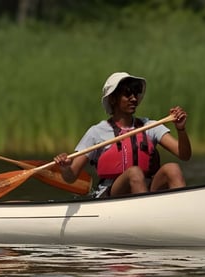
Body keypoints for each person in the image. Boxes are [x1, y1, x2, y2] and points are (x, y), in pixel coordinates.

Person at [54, 72, 192, 197]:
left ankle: (183, 213)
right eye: (127, 93)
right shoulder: (96, 132)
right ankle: (145, 216)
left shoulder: (150, 126)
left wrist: (181, 130)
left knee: (172, 168)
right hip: (112, 194)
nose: (134, 98)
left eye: (136, 92)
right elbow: (71, 177)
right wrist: (65, 168)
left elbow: (184, 155)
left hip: (147, 189)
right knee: (134, 173)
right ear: (113, 99)